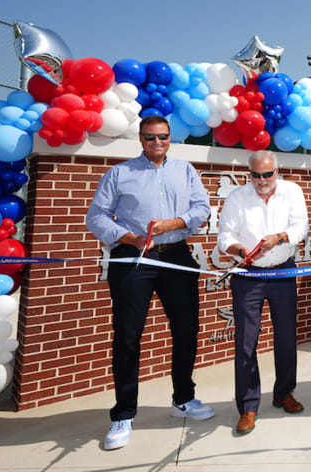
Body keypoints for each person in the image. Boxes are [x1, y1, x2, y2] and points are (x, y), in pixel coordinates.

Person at [86, 115, 213, 451]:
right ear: (140, 139)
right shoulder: (120, 173)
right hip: (132, 258)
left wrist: (172, 223)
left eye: (163, 137)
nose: (158, 142)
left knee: (187, 329)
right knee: (128, 336)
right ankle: (124, 413)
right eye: (150, 137)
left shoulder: (185, 170)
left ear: (170, 138)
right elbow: (96, 216)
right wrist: (128, 236)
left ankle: (183, 398)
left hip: (177, 256)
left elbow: (202, 208)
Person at [217, 150, 309, 435]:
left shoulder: (292, 192)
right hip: (248, 276)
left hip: (283, 271)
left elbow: (300, 227)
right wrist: (240, 250)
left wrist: (279, 238)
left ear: (277, 172)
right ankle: (247, 407)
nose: (261, 180)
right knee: (246, 342)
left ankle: (284, 393)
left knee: (286, 338)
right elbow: (224, 238)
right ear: (250, 174)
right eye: (255, 175)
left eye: (267, 175)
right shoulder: (236, 198)